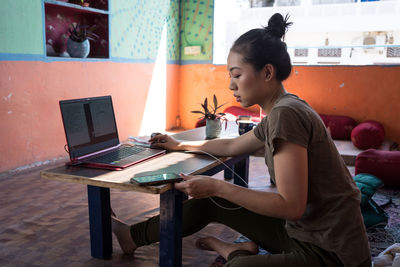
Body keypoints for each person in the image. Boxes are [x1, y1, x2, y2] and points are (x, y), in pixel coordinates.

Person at [112, 13, 371, 267]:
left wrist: (218, 187)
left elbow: (291, 206)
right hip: (303, 233)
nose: (231, 86)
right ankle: (131, 237)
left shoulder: (286, 115)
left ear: (267, 72)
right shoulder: (280, 111)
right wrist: (178, 143)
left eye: (237, 75)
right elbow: (232, 146)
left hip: (332, 253)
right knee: (210, 203)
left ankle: (234, 253)